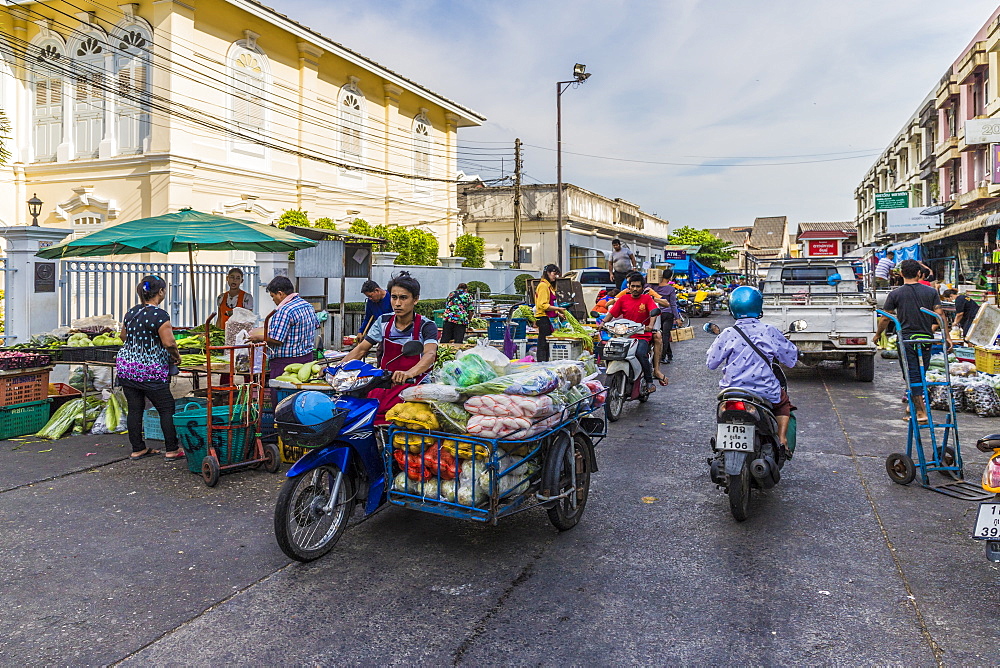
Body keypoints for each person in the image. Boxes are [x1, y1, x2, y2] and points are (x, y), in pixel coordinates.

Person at [706, 286, 799, 450]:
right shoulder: (769, 331)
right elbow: (791, 360)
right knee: (783, 402)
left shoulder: (728, 333)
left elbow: (711, 363)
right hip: (764, 391)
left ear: (733, 308)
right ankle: (782, 439)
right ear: (758, 306)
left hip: (732, 391)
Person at [341, 271, 438, 422]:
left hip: (412, 384)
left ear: (416, 299)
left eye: (403, 298)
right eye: (394, 297)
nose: (397, 303)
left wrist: (409, 373)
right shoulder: (383, 321)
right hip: (385, 381)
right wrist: (337, 368)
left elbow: (430, 355)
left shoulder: (426, 325)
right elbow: (361, 349)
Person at [115, 275, 184, 461]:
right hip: (150, 371)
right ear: (160, 292)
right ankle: (172, 449)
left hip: (127, 368)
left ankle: (138, 449)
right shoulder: (160, 315)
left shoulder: (131, 312)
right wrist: (176, 357)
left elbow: (123, 337)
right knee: (166, 408)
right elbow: (169, 342)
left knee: (135, 409)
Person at [875, 259, 952, 424]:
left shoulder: (895, 294)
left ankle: (920, 411)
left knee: (912, 374)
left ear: (901, 274)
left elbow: (885, 319)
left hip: (907, 340)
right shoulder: (931, 292)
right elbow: (941, 316)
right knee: (919, 373)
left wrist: (877, 336)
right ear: (919, 274)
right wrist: (947, 336)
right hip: (926, 339)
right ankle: (912, 405)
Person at [252, 276, 321, 399]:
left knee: (282, 399)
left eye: (273, 296)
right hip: (306, 359)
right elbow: (316, 325)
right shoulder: (307, 305)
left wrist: (257, 337)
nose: (273, 300)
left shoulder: (285, 310)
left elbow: (277, 339)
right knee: (302, 399)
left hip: (285, 362)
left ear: (280, 294)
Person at [608, 272, 661, 392]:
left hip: (642, 335)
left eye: (638, 286)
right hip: (625, 335)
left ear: (642, 288)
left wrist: (650, 325)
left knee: (640, 353)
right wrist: (602, 323)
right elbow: (611, 314)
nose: (635, 289)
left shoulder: (647, 299)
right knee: (612, 351)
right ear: (629, 287)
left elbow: (654, 312)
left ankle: (649, 381)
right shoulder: (623, 299)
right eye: (633, 286)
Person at [534, 264, 568, 362]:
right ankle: (541, 363)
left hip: (547, 317)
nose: (556, 276)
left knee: (546, 343)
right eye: (554, 273)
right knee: (543, 343)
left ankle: (544, 361)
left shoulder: (550, 287)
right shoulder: (543, 286)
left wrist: (558, 313)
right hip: (543, 318)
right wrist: (559, 308)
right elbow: (542, 305)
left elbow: (549, 304)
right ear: (548, 273)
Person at [647, 270, 680, 365]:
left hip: (655, 313)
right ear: (670, 277)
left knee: (660, 334)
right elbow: (673, 304)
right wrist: (677, 318)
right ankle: (662, 356)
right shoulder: (670, 289)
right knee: (665, 335)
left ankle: (669, 354)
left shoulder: (653, 287)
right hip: (667, 314)